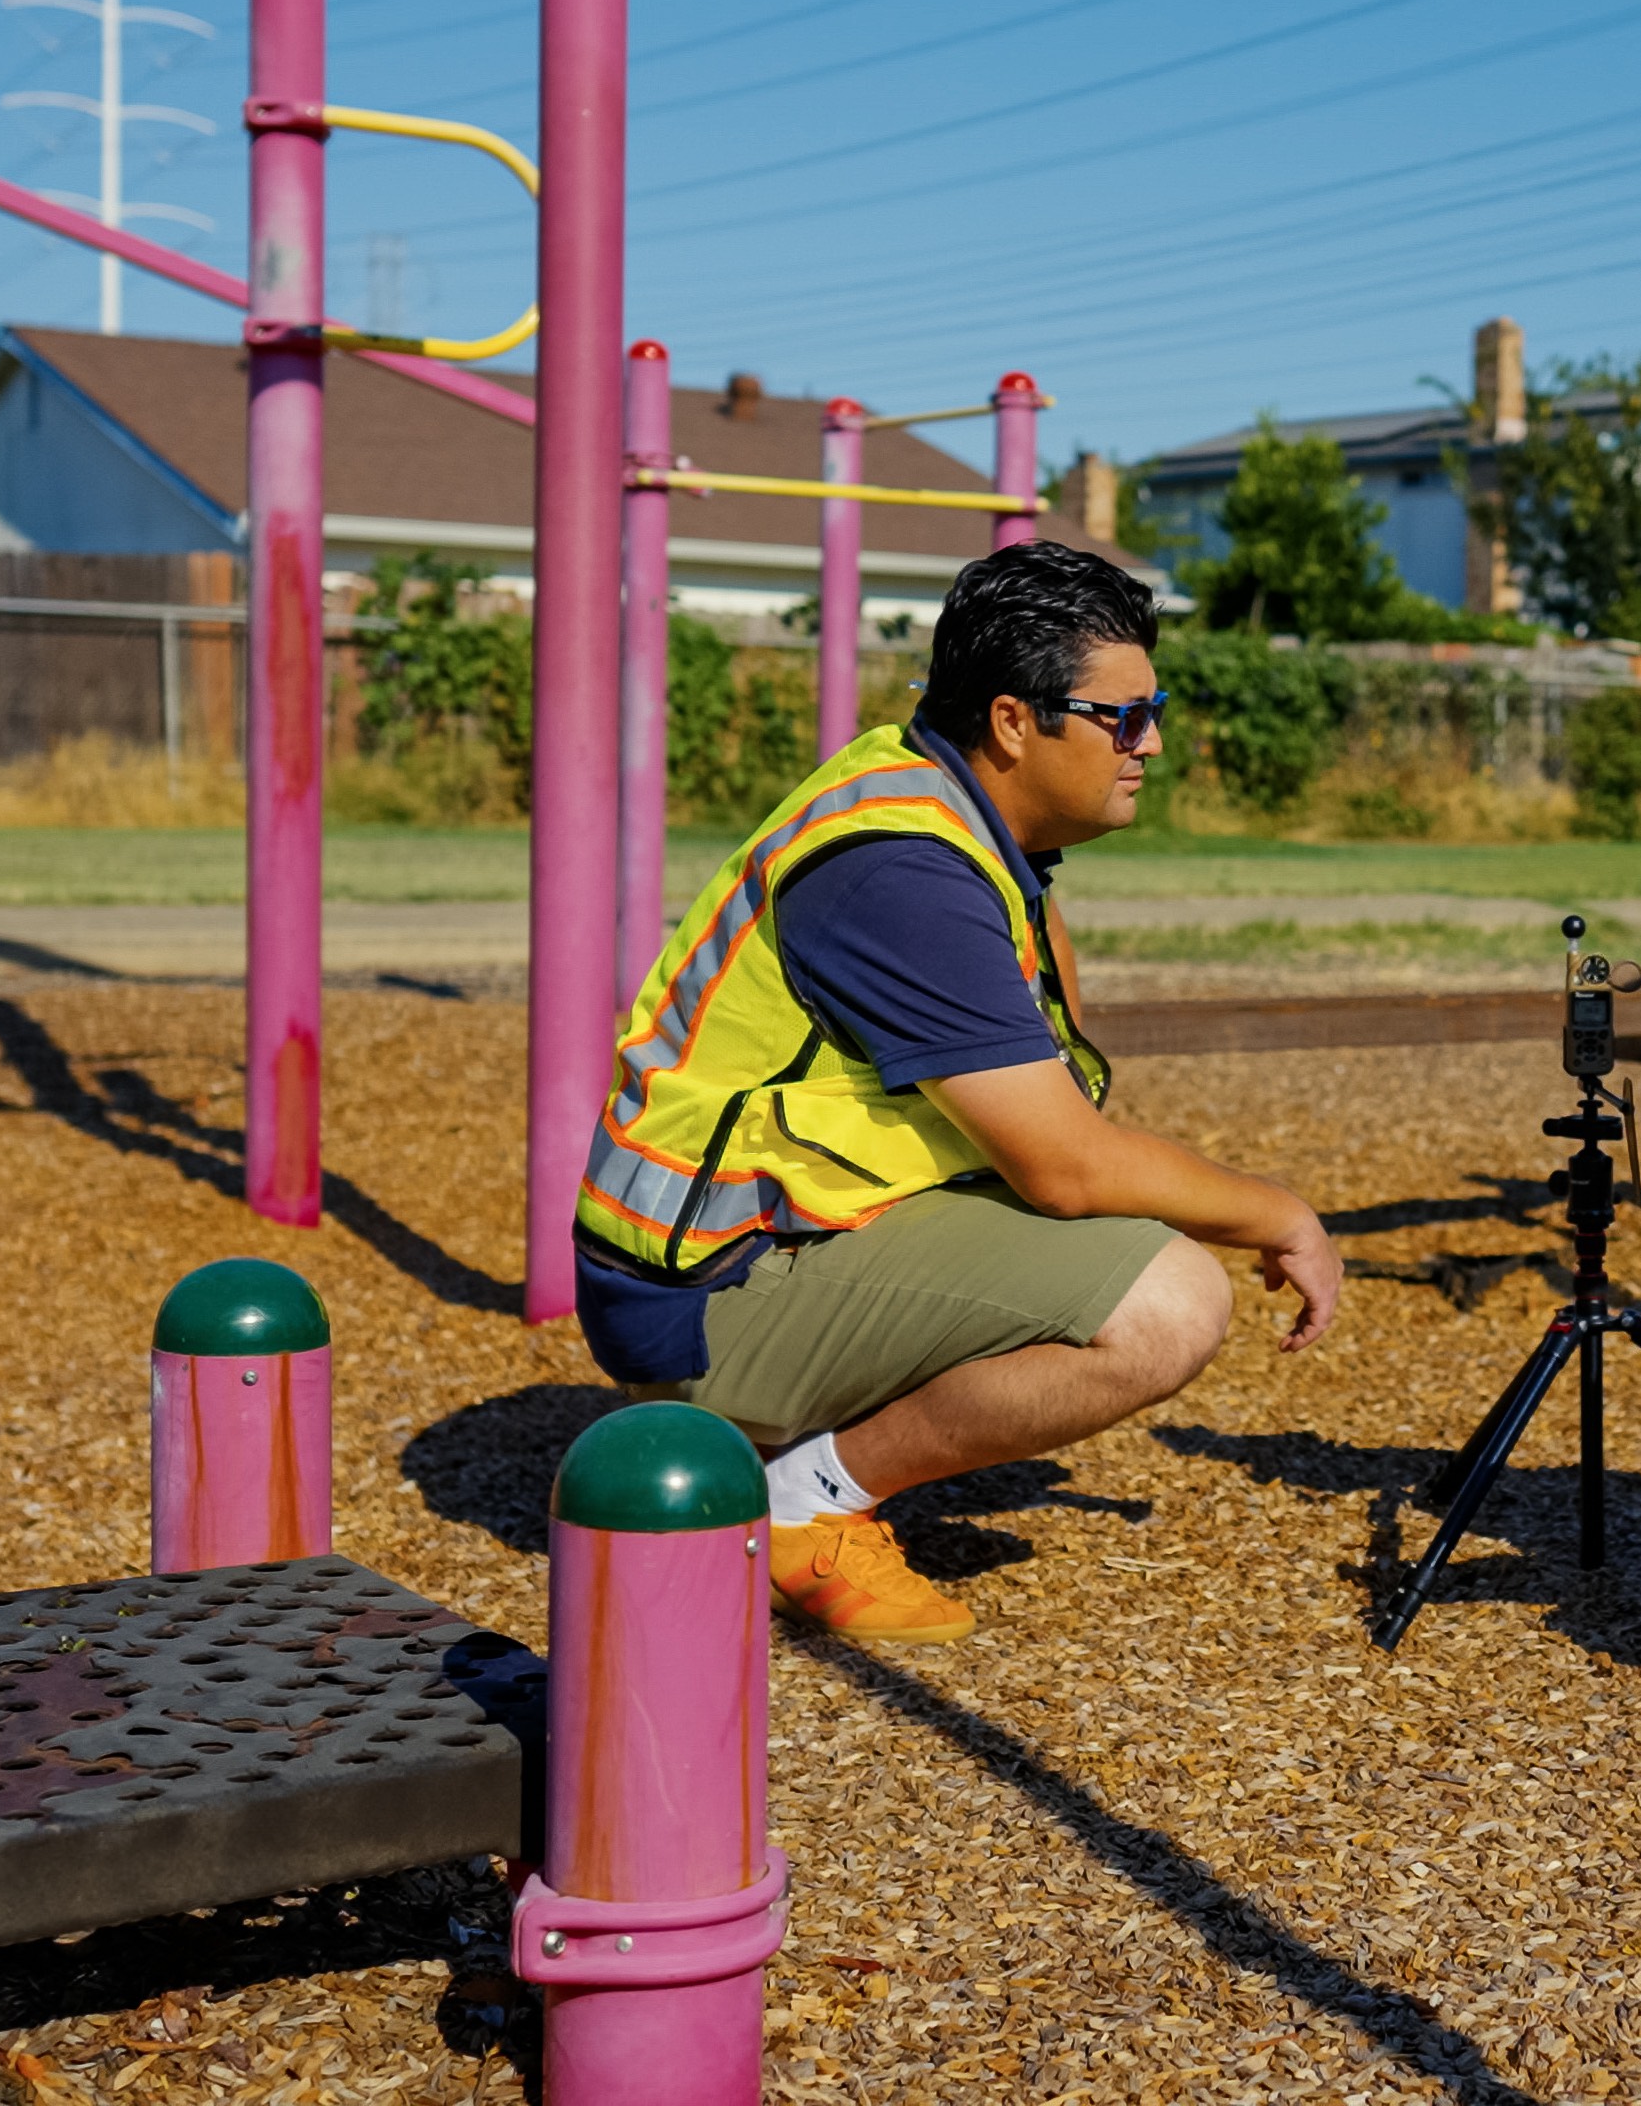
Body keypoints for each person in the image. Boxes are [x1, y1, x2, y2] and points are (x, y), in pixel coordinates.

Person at [575, 541, 1342, 1646]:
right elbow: (1065, 1161)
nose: (1152, 743)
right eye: (1121, 717)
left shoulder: (942, 804)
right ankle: (803, 1507)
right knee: (1168, 1302)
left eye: (1156, 708)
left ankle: (788, 1458)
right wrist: (1283, 1215)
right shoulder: (903, 872)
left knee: (1113, 1234)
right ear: (1014, 721)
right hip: (705, 1298)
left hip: (745, 1243)